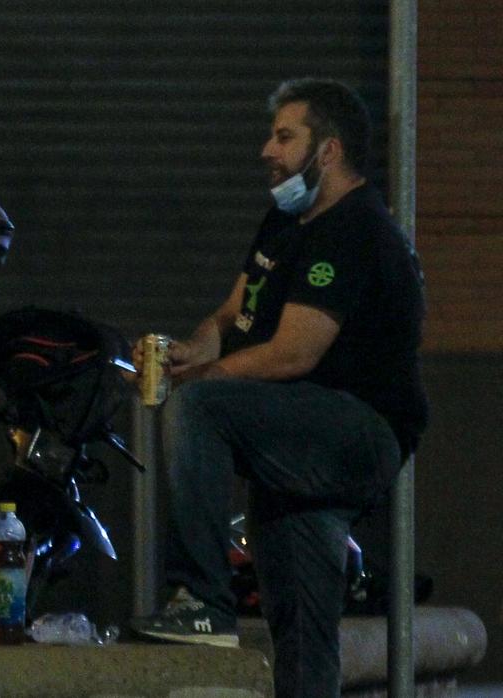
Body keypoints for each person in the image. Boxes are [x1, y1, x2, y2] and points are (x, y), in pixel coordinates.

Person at [129, 78, 428, 698]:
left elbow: (295, 352)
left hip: (354, 431)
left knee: (200, 408)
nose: (268, 149)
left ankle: (203, 600)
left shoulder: (356, 230)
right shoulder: (283, 221)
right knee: (300, 632)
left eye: (285, 136)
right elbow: (231, 316)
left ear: (329, 150)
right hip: (296, 436)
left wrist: (199, 385)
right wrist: (190, 353)